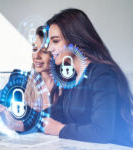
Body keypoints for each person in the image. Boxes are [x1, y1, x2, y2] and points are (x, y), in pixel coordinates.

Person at [41, 8, 133, 147]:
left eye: (55, 41)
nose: (49, 48)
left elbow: (101, 132)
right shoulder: (71, 77)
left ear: (74, 40)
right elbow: (54, 118)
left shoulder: (103, 74)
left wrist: (59, 129)